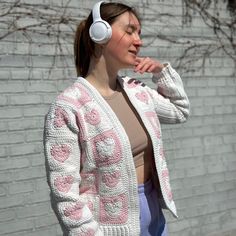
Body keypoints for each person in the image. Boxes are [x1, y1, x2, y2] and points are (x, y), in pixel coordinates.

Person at [43, 1, 190, 236]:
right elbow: (65, 194)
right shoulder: (69, 107)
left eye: (139, 33)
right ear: (100, 34)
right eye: (129, 30)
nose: (138, 40)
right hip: (108, 229)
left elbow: (179, 110)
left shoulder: (137, 91)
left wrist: (161, 72)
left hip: (155, 222)